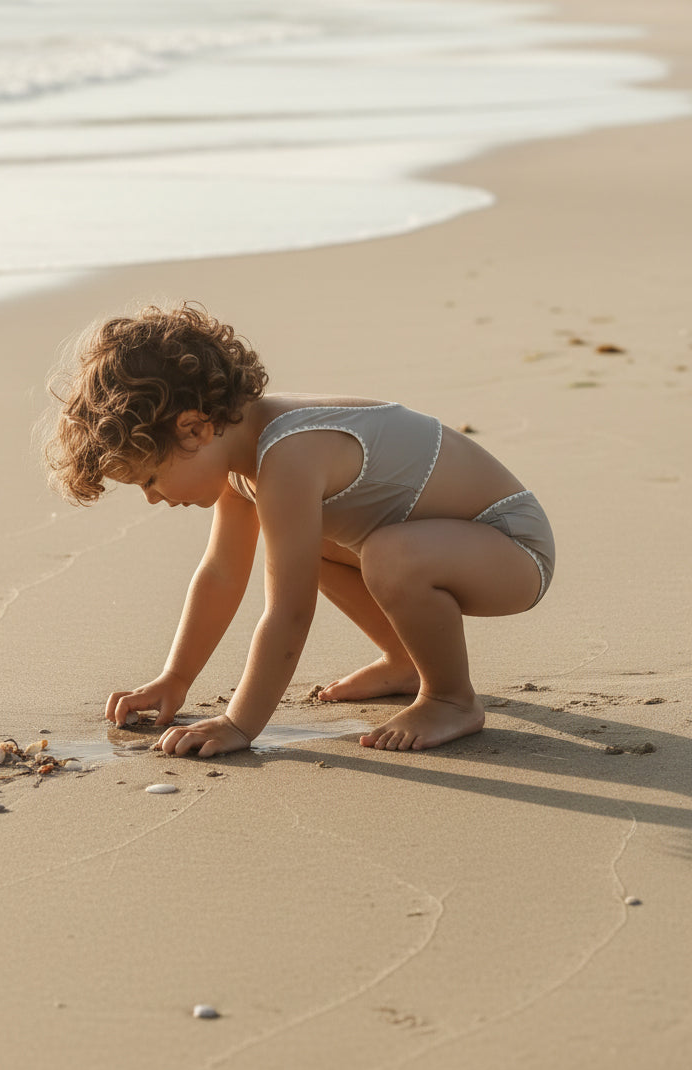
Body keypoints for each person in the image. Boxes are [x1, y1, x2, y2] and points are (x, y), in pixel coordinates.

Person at [44, 302, 554, 757]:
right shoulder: (240, 460)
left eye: (149, 478)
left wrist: (239, 723)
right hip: (441, 545)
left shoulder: (287, 455)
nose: (153, 497)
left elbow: (289, 611)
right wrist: (175, 678)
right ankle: (404, 659)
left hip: (510, 546)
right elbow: (221, 574)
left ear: (194, 428)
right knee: (317, 547)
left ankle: (450, 698)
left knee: (384, 555)